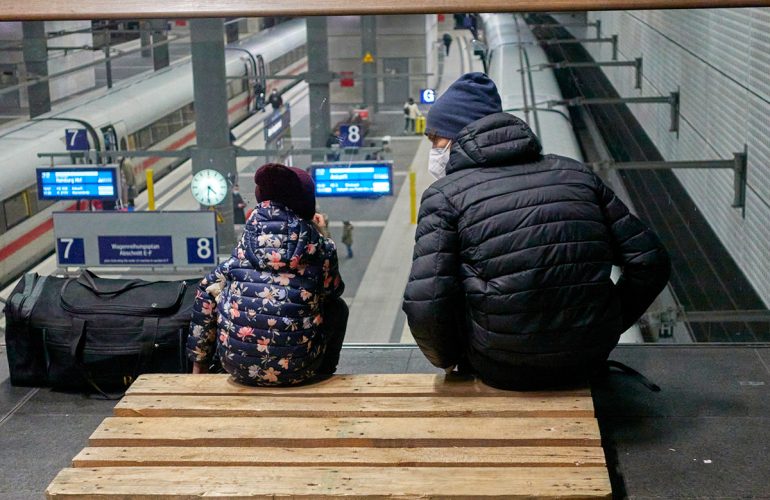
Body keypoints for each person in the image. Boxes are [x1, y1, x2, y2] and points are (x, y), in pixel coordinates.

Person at [402, 72, 671, 390]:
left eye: (437, 139)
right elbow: (650, 262)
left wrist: (451, 358)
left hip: (500, 367)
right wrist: (605, 324)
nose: (434, 150)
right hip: (587, 359)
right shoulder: (576, 175)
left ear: (462, 134)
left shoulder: (445, 196)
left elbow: (427, 302)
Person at [188, 163, 348, 386]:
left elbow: (206, 291)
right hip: (299, 370)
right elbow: (334, 290)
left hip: (237, 367)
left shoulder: (246, 242)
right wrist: (322, 234)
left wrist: (199, 364)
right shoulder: (321, 248)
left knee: (219, 290)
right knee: (338, 307)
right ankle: (324, 373)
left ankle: (207, 368)